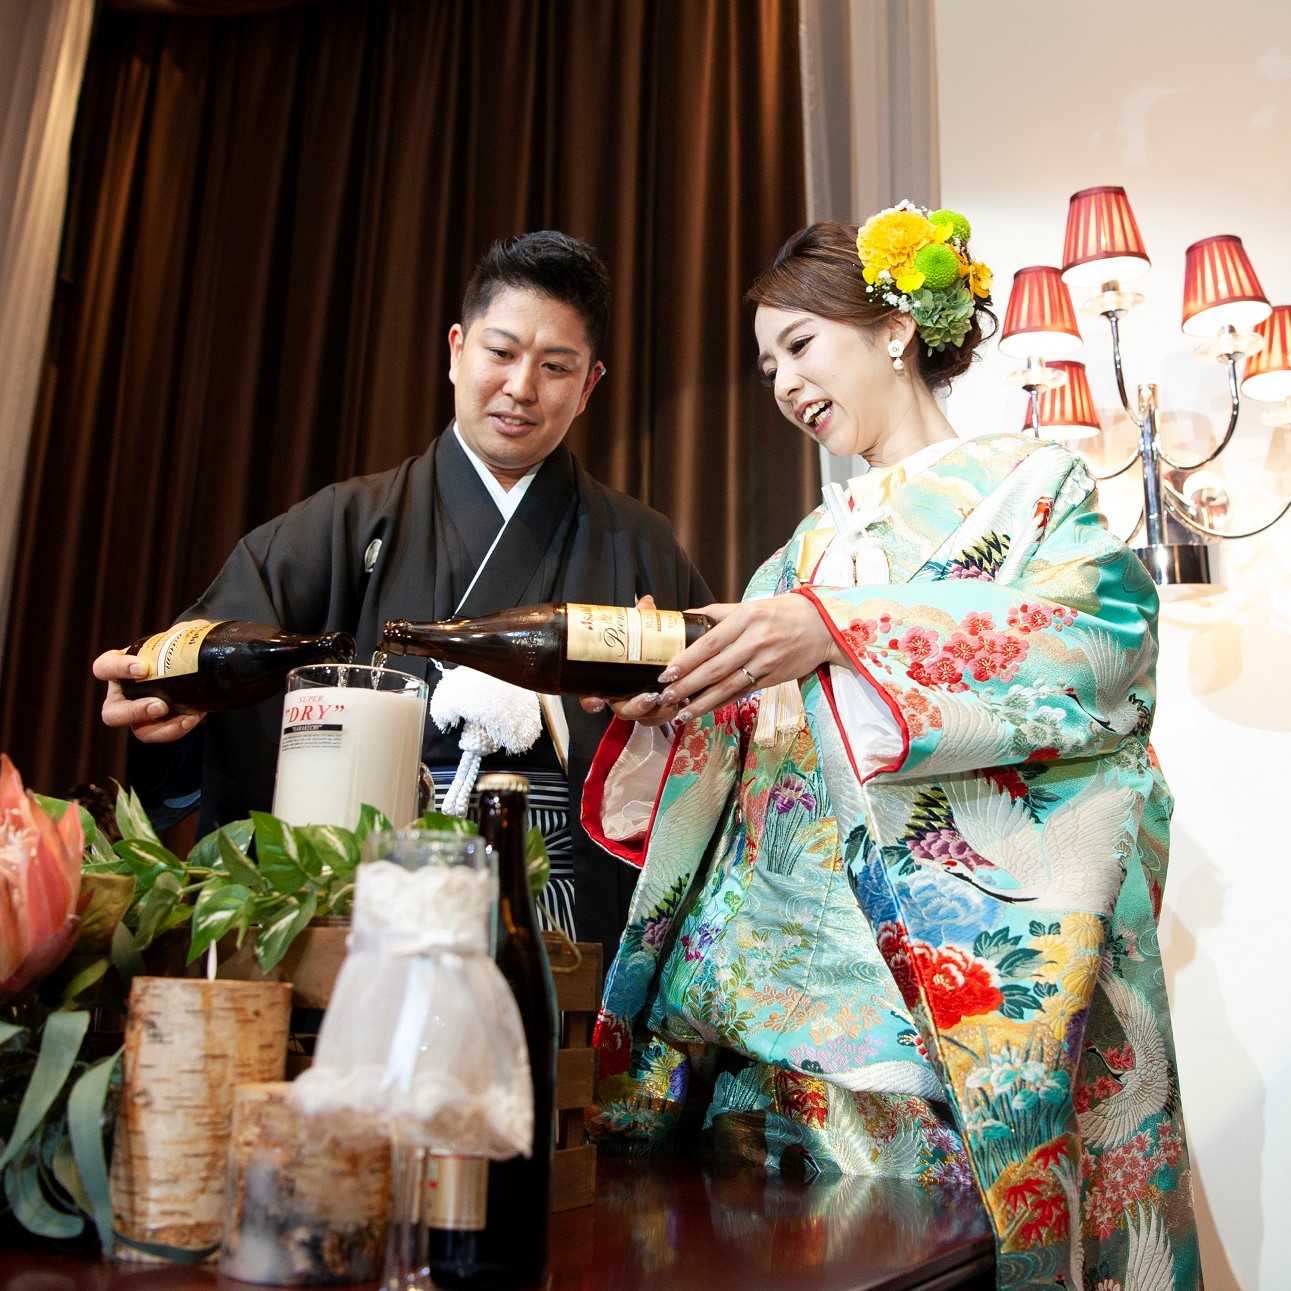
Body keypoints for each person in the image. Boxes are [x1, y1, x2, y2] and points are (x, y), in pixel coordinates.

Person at [580, 210, 1201, 1289]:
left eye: (800, 345)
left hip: (937, 1004)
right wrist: (678, 706)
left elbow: (1102, 639)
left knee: (946, 1257)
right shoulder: (800, 555)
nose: (784, 384)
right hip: (779, 1019)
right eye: (767, 366)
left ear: (896, 329)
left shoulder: (1028, 485)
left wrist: (844, 631)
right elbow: (756, 758)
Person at [92, 230, 710, 955]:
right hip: (361, 891)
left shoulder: (638, 544)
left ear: (589, 385)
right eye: (501, 353)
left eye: (555, 367)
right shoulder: (341, 524)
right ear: (456, 349)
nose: (521, 387)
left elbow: (713, 732)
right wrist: (162, 701)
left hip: (559, 903)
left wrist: (662, 717)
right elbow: (210, 666)